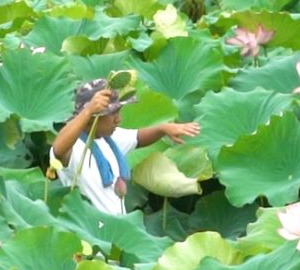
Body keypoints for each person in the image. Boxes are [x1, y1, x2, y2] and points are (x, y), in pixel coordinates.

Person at [50, 79, 200, 214]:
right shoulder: (74, 147)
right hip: (92, 232)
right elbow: (58, 150)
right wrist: (88, 111)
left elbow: (138, 137)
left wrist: (163, 129)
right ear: (92, 118)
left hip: (116, 229)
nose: (119, 119)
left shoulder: (109, 138)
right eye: (113, 113)